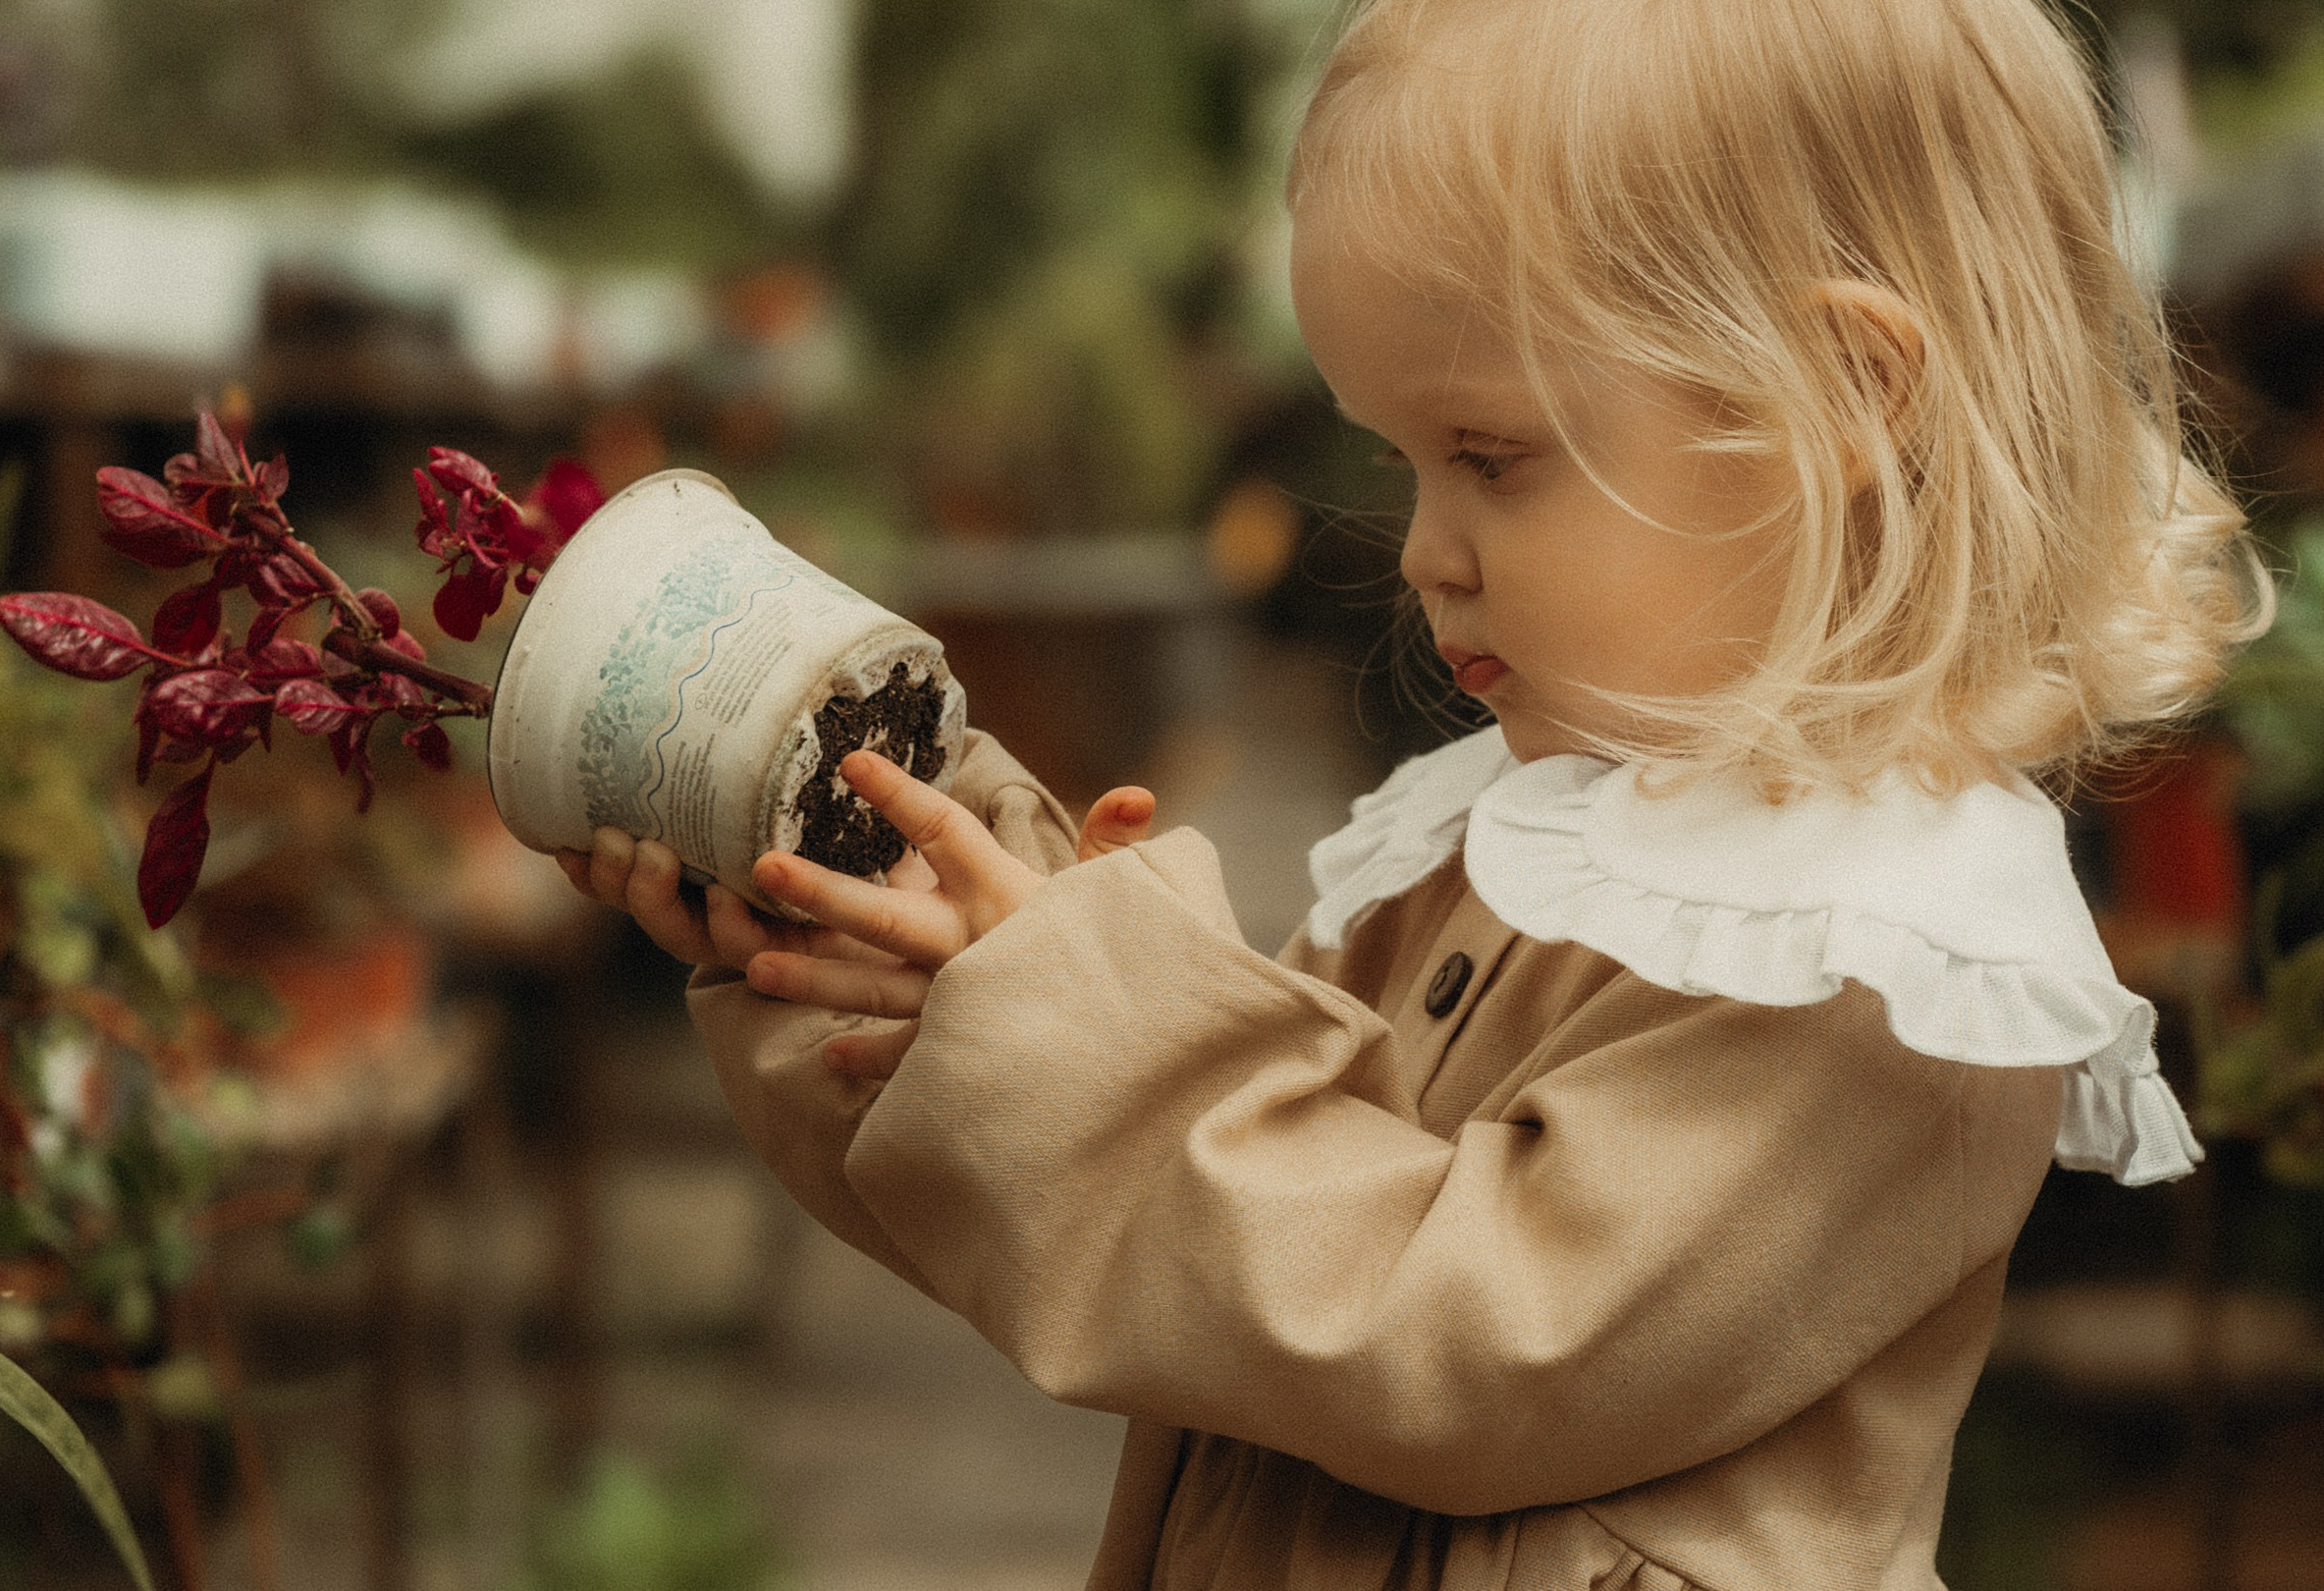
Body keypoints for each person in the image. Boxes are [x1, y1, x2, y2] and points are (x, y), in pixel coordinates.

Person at [559, 0, 2273, 1585]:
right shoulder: (1525, 833)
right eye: (1403, 460)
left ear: (1841, 400)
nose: (1426, 551)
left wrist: (1076, 1020)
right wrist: (883, 916)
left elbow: (1444, 1342)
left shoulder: (1883, 959)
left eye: (1492, 458)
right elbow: (1179, 1247)